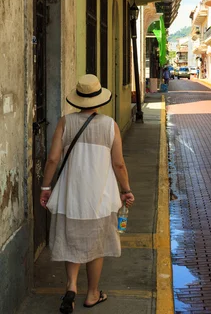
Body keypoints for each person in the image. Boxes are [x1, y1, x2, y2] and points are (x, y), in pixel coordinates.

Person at [40, 74, 135, 313]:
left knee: (72, 241)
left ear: (77, 99)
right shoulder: (110, 125)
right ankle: (92, 293)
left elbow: (52, 159)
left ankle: (71, 286)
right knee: (96, 246)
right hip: (99, 199)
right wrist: (126, 190)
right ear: (99, 99)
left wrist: (45, 187)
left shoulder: (65, 122)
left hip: (70, 198)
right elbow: (119, 164)